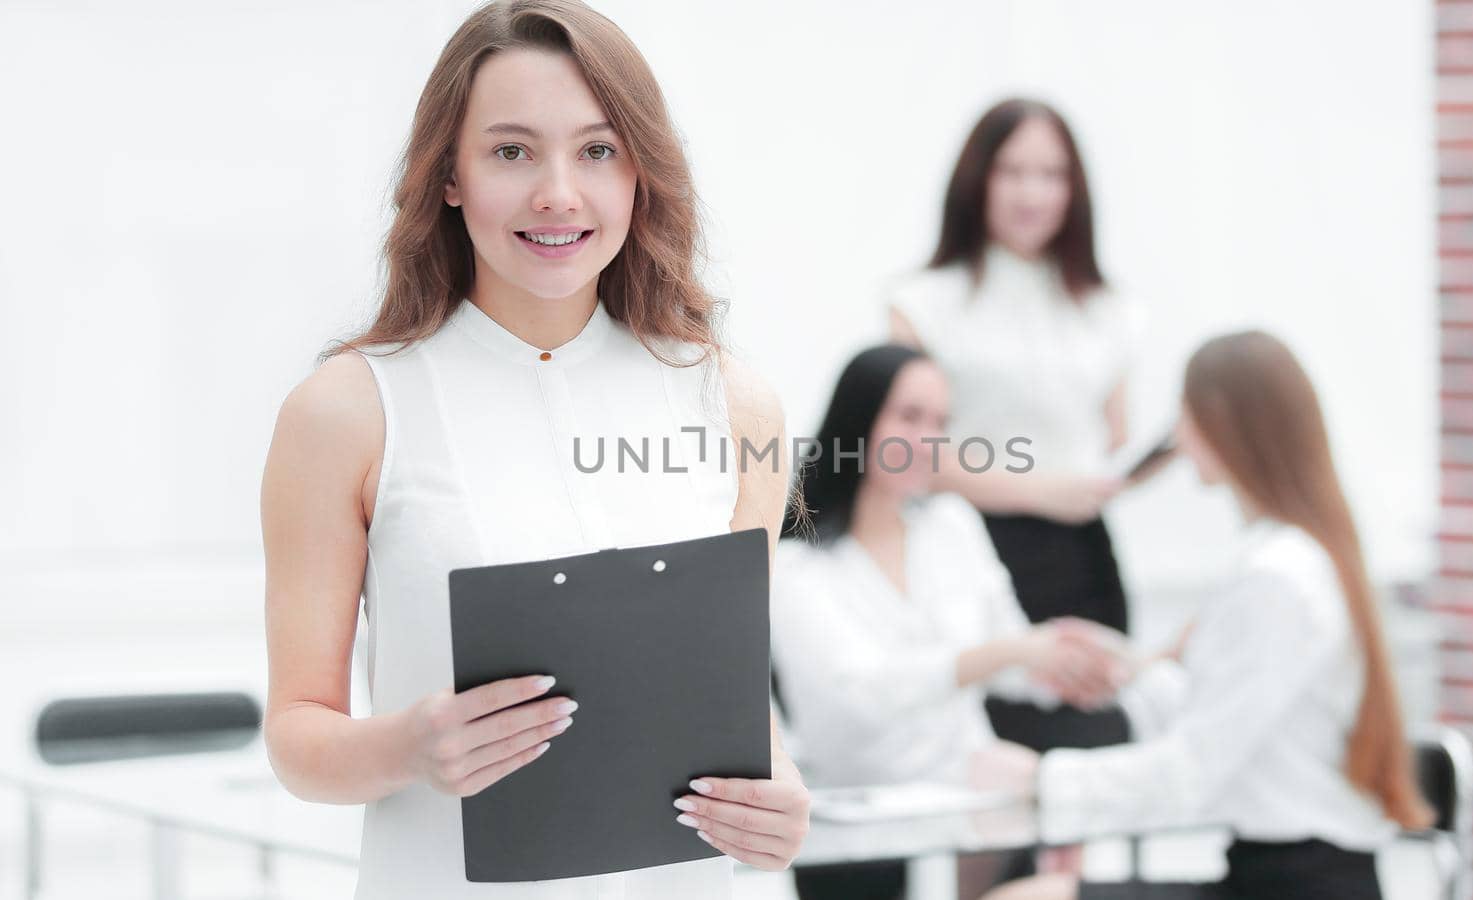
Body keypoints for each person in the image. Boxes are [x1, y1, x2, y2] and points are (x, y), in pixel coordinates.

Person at [258, 2, 808, 896]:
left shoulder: (733, 402)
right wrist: (408, 745)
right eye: (512, 151)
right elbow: (297, 736)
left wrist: (780, 805)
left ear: (639, 172)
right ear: (449, 176)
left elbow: (742, 711)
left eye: (597, 150)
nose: (559, 192)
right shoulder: (350, 411)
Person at [999, 331, 1435, 900]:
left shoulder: (1276, 578)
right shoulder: (1297, 560)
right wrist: (1124, 668)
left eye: (1186, 415)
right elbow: (1226, 714)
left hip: (1295, 884)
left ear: (1226, 423)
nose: (1178, 436)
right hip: (1281, 874)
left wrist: (1041, 782)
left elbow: (1192, 770)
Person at [773, 344, 1130, 900]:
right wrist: (1008, 654)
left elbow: (1011, 658)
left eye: (940, 423)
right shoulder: (796, 567)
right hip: (859, 822)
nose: (928, 440)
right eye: (910, 417)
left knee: (1049, 795)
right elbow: (860, 696)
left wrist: (1064, 665)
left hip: (972, 798)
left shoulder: (951, 526)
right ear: (858, 419)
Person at [887, 98, 1154, 755]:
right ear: (978, 179)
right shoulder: (924, 303)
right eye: (1012, 171)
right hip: (972, 551)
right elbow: (903, 455)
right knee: (989, 757)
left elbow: (1115, 436)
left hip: (1082, 557)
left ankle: (1062, 867)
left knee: (1086, 742)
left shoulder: (1110, 311)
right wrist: (1040, 489)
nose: (1032, 193)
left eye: (1052, 174)